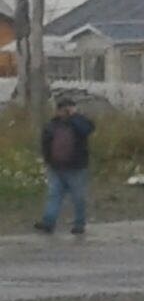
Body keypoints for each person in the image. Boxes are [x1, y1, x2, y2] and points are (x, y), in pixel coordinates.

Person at [35, 97, 96, 235]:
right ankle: (75, 224)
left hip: (61, 166)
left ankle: (50, 222)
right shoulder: (75, 122)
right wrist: (74, 116)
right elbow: (88, 129)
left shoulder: (53, 124)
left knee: (56, 195)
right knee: (76, 197)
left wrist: (47, 161)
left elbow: (45, 143)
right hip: (74, 167)